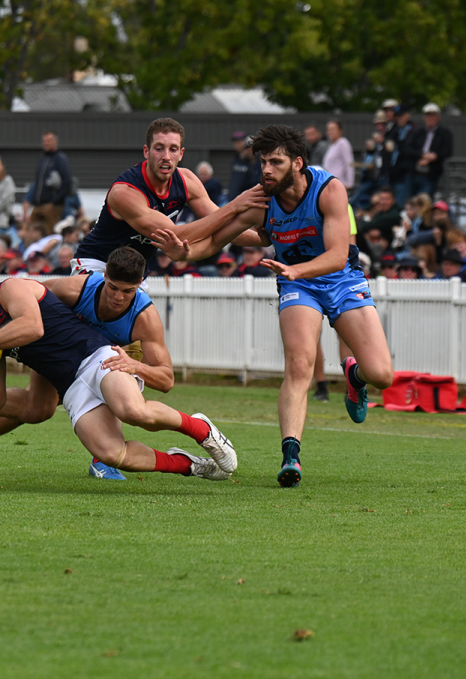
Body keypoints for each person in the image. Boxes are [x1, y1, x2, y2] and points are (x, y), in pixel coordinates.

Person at [151, 124, 394, 488]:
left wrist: (297, 269)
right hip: (298, 287)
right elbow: (218, 238)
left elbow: (337, 255)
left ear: (297, 163)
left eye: (276, 162)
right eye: (263, 161)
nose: (266, 169)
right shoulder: (260, 199)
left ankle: (353, 376)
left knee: (382, 375)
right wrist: (186, 253)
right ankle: (290, 455)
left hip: (341, 279)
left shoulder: (329, 189)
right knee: (299, 365)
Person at [0, 248, 237, 482]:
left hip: (96, 358)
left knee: (133, 411)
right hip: (69, 387)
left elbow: (34, 327)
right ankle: (190, 465)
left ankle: (202, 429)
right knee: (111, 454)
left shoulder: (11, 289)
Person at [73, 118, 268, 276]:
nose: (166, 156)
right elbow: (177, 237)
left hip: (134, 272)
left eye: (173, 149)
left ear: (181, 154)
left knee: (150, 326)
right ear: (146, 152)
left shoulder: (187, 181)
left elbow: (224, 225)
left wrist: (264, 239)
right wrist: (235, 206)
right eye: (159, 148)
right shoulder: (125, 192)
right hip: (97, 263)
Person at [404, 103, 453, 197]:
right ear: (424, 117)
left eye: (433, 115)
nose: (430, 118)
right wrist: (422, 155)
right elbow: (407, 149)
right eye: (428, 115)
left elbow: (447, 151)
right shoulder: (416, 132)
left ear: (438, 116)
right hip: (413, 173)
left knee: (424, 202)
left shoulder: (444, 133)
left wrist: (434, 157)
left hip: (430, 174)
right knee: (410, 202)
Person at [28, 131, 71, 228]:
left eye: (49, 140)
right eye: (45, 141)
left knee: (50, 232)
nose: (46, 143)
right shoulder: (42, 159)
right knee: (31, 231)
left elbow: (67, 182)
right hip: (37, 205)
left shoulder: (60, 159)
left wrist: (55, 202)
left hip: (51, 206)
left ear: (56, 142)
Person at [322, 120, 355, 189]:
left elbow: (349, 163)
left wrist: (349, 183)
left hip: (339, 184)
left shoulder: (343, 143)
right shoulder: (331, 145)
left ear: (340, 131)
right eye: (329, 130)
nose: (331, 132)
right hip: (329, 184)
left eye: (333, 129)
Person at [229, 132, 261, 201]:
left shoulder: (263, 163)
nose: (249, 150)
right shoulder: (242, 163)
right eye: (247, 148)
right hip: (242, 200)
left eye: (252, 148)